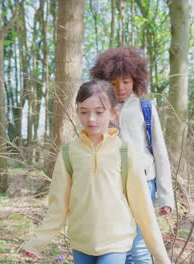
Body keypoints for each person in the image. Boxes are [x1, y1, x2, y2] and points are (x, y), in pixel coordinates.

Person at [21, 79, 171, 264]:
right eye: (84, 112)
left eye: (99, 112)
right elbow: (58, 206)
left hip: (115, 242)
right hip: (81, 242)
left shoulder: (125, 152)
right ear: (77, 112)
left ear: (113, 114)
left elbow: (143, 209)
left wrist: (162, 257)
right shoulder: (69, 153)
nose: (91, 119)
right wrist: (37, 242)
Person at [91, 47, 174, 264]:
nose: (120, 88)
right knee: (119, 246)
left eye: (126, 81)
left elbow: (160, 153)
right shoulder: (98, 111)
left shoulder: (146, 108)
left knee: (139, 246)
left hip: (144, 183)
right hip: (111, 185)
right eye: (114, 82)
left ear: (135, 80)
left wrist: (166, 197)